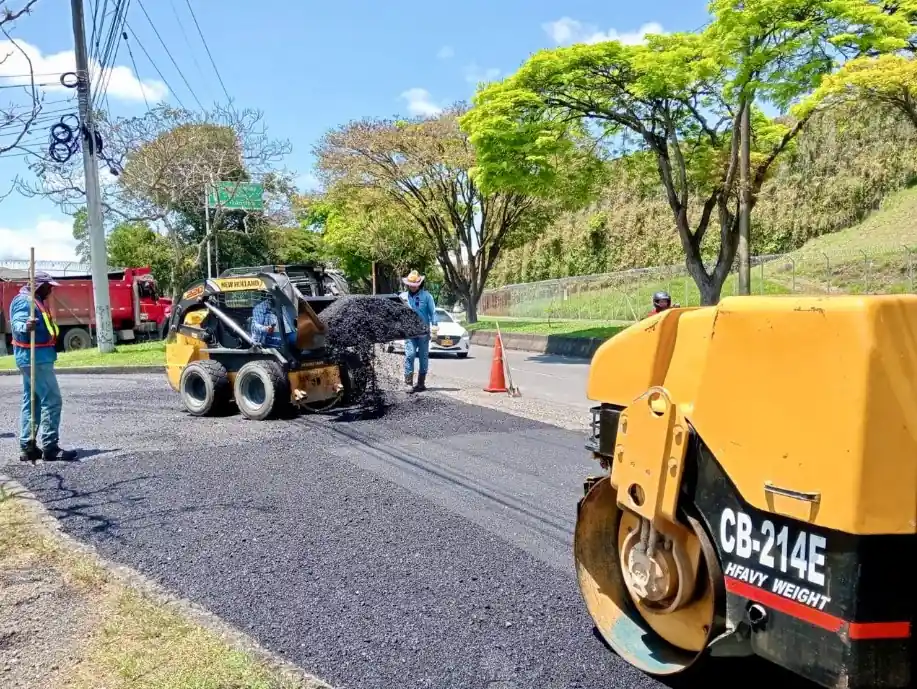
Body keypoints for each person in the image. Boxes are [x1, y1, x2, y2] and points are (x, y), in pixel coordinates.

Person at [10, 272, 76, 462]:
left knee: (33, 402)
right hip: (35, 359)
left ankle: (28, 446)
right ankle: (50, 447)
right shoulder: (24, 301)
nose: (51, 290)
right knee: (52, 400)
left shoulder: (34, 300)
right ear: (39, 286)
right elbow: (17, 323)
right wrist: (25, 326)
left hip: (34, 358)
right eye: (49, 286)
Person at [400, 269, 438, 392]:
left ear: (419, 284)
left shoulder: (427, 296)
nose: (412, 287)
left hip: (423, 332)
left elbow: (433, 312)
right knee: (410, 355)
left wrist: (434, 327)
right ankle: (408, 383)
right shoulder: (403, 297)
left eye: (414, 285)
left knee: (423, 357)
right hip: (410, 331)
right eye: (410, 285)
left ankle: (421, 383)